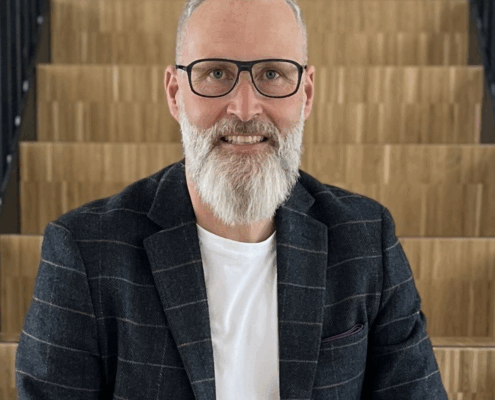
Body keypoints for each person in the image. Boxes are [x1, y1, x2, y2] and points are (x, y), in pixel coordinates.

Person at [15, 0, 449, 398]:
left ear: (307, 93)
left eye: (272, 74)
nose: (244, 108)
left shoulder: (367, 241)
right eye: (216, 73)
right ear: (175, 93)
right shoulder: (84, 252)